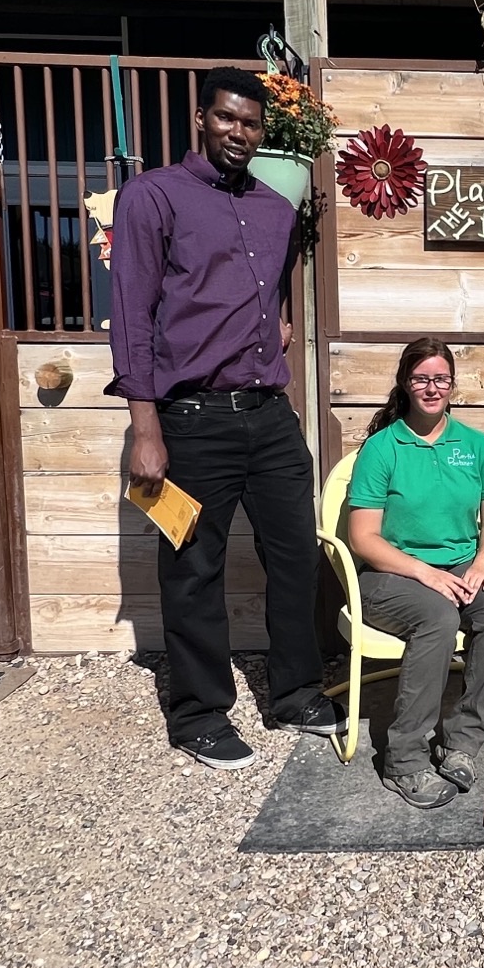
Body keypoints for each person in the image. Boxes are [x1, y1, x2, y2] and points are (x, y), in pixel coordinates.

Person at [109, 65, 344, 770]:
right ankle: (199, 713)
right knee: (192, 568)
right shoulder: (153, 198)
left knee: (297, 557)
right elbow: (132, 317)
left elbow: (267, 300)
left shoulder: (275, 207)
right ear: (201, 119)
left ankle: (296, 692)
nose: (238, 132)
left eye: (250, 123)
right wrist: (145, 430)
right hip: (190, 419)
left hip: (268, 417)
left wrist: (278, 334)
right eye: (227, 119)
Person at [345, 339, 484, 809]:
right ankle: (404, 761)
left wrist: (483, 562)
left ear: (452, 385)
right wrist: (425, 573)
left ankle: (462, 742)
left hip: (462, 564)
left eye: (441, 378)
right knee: (438, 618)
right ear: (406, 383)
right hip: (390, 572)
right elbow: (364, 538)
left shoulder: (475, 445)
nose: (432, 387)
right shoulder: (383, 449)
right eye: (422, 378)